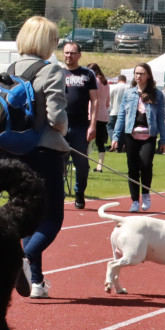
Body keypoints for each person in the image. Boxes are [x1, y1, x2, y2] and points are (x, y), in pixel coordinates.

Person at [0, 16, 69, 299]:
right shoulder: (52, 70)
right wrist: (64, 129)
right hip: (43, 151)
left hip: (9, 150)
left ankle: (36, 282)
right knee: (51, 218)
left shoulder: (10, 68)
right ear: (49, 42)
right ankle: (20, 258)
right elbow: (56, 117)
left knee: (25, 215)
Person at [111, 62, 165, 212]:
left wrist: (164, 139)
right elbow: (122, 116)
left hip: (148, 136)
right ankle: (134, 200)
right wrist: (116, 136)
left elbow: (161, 118)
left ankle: (145, 194)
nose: (138, 76)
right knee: (132, 168)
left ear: (148, 75)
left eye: (141, 73)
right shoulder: (129, 93)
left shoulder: (157, 94)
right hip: (131, 134)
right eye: (136, 73)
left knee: (145, 164)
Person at [61, 41, 97, 209]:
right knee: (57, 162)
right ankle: (57, 193)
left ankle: (79, 192)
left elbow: (95, 101)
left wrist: (93, 125)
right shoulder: (57, 73)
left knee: (81, 163)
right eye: (67, 53)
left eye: (72, 53)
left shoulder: (87, 74)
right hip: (59, 126)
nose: (69, 56)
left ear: (79, 55)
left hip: (80, 126)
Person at [87, 63, 110, 173]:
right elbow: (107, 102)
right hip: (103, 115)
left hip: (92, 114)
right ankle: (100, 165)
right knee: (100, 142)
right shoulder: (106, 83)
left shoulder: (94, 81)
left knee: (86, 140)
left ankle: (84, 163)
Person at [108, 74, 128, 152]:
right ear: (125, 80)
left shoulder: (114, 87)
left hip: (114, 110)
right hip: (125, 111)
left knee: (110, 127)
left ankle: (114, 142)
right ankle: (120, 145)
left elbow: (110, 98)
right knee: (122, 129)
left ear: (118, 80)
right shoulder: (129, 87)